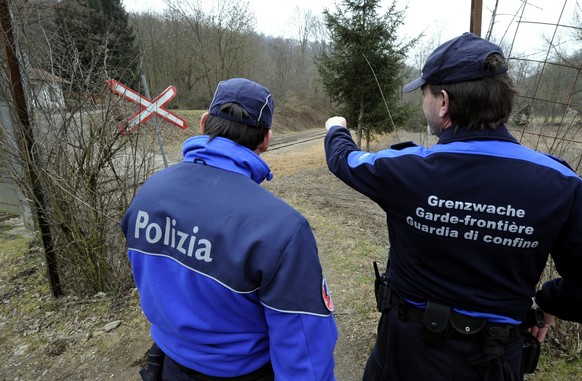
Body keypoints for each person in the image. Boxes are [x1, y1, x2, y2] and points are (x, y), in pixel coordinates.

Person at [323, 32, 582, 381]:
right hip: (495, 362)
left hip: (404, 356)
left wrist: (335, 129)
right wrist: (550, 301)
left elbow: (345, 159)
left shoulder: (406, 169)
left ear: (443, 102)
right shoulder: (560, 182)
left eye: (425, 95)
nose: (424, 103)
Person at [122, 77, 338, 381]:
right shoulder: (282, 229)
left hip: (169, 367)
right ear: (266, 139)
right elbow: (304, 352)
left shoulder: (149, 192)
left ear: (204, 123)